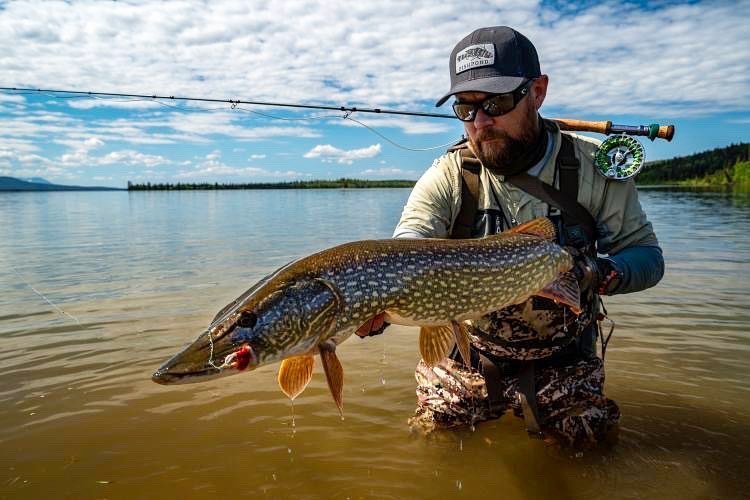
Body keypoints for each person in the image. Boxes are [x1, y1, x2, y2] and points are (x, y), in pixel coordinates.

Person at [388, 26, 664, 447]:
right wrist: (376, 302)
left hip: (566, 360)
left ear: (537, 91)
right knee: (433, 442)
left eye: (496, 103)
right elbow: (406, 246)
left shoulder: (593, 169)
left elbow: (648, 257)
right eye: (466, 108)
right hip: (469, 358)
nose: (480, 122)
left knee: (590, 448)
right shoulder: (448, 175)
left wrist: (600, 272)